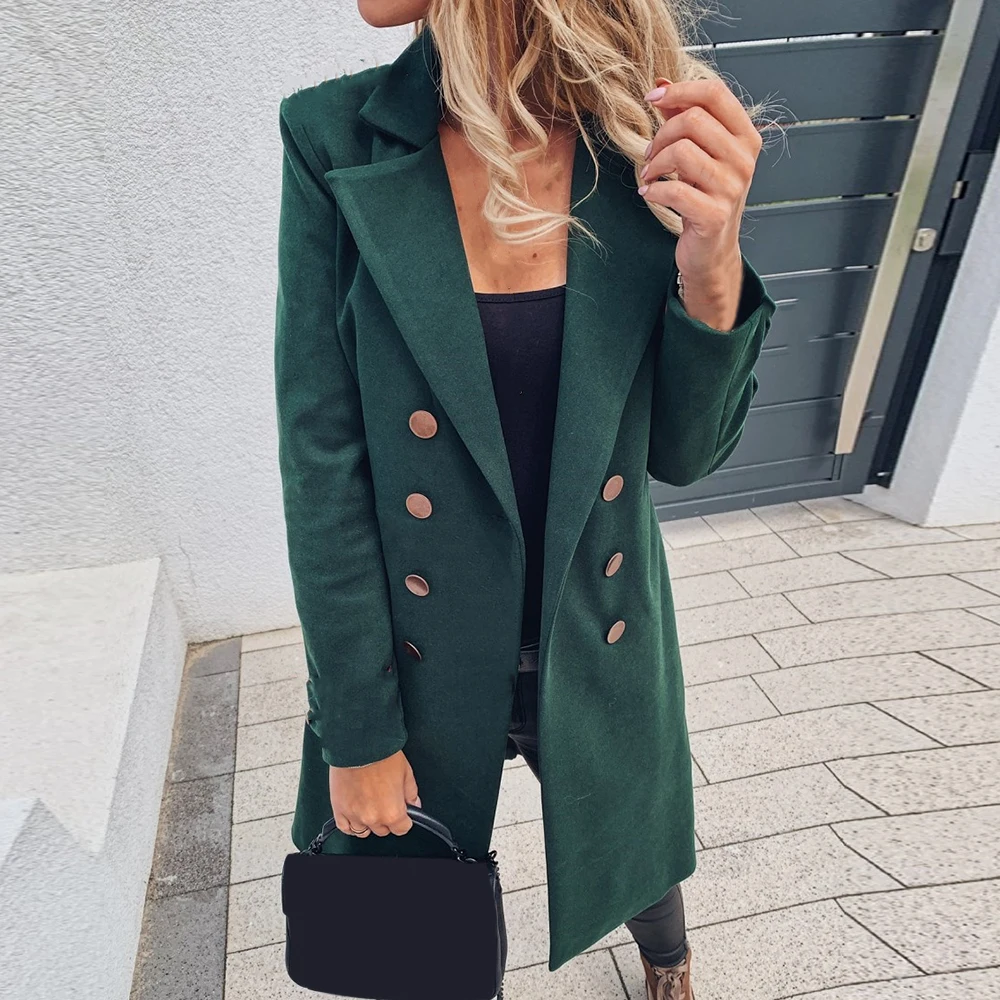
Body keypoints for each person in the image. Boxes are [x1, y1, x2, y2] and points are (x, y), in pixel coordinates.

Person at [273, 2, 776, 998]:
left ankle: (667, 961)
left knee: (633, 845)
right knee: (414, 926)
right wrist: (356, 732)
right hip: (415, 650)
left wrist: (711, 259)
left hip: (597, 620)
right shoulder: (332, 138)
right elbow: (322, 463)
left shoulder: (640, 139)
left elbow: (687, 456)